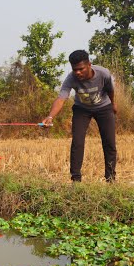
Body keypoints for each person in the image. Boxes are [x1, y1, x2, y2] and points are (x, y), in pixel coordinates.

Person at [41, 50, 117, 183]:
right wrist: (50, 117)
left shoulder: (103, 73)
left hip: (103, 108)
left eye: (81, 69)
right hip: (82, 109)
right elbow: (61, 98)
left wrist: (113, 104)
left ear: (89, 65)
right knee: (77, 142)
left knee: (109, 143)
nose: (78, 72)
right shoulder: (71, 78)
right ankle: (76, 180)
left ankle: (110, 178)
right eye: (74, 69)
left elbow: (110, 89)